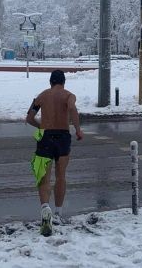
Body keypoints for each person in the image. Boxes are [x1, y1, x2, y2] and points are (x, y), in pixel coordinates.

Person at [26, 70, 83, 236]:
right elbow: (72, 108)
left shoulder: (42, 95)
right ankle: (58, 213)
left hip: (45, 137)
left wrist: (41, 126)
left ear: (50, 82)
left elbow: (29, 118)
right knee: (61, 175)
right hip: (63, 137)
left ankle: (45, 209)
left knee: (44, 177)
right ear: (64, 82)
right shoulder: (69, 95)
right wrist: (78, 130)